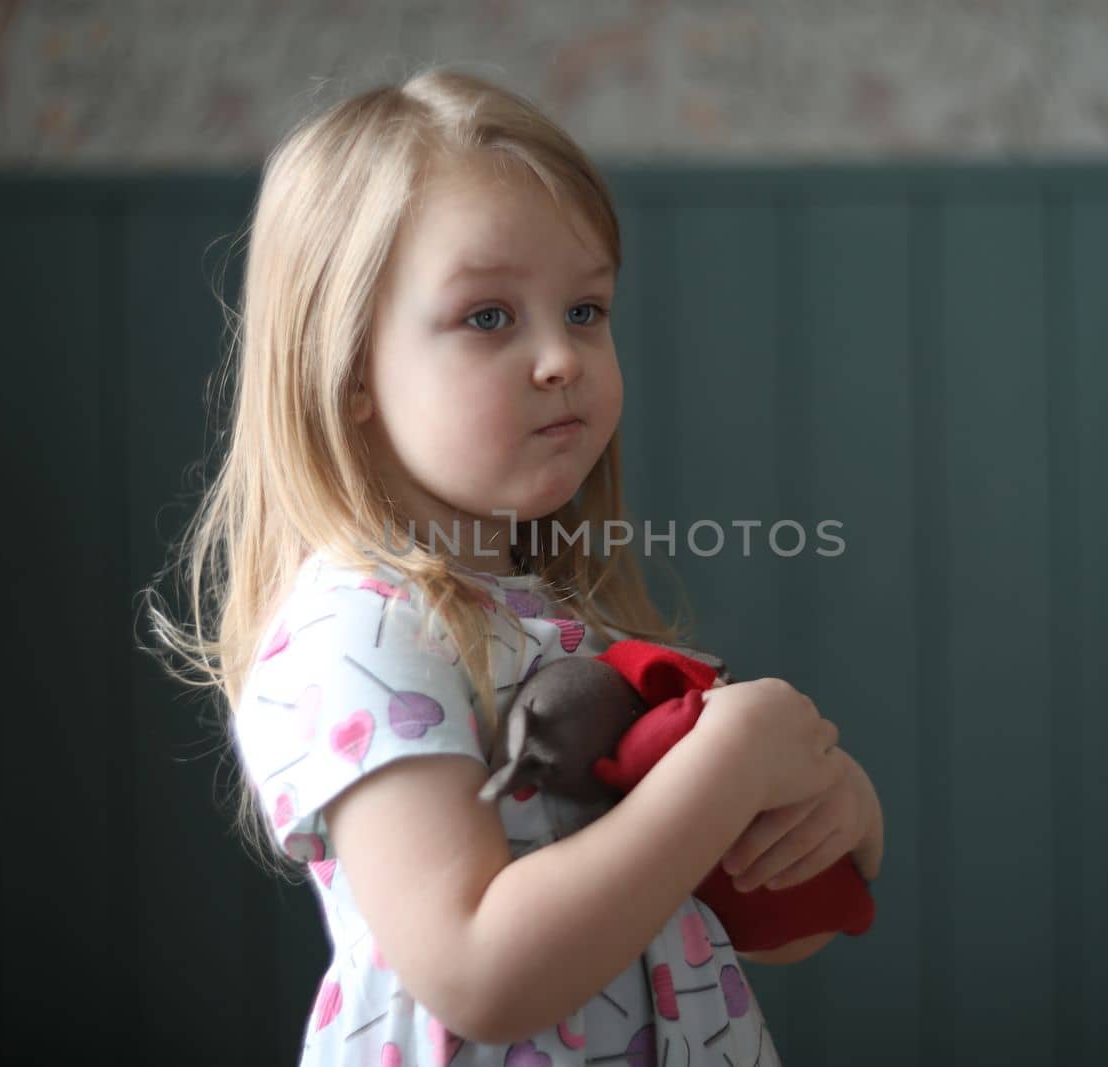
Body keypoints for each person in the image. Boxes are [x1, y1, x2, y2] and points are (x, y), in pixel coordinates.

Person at [144, 66, 885, 1066]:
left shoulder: (564, 622)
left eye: (584, 311)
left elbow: (744, 917)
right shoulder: (360, 631)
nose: (561, 358)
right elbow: (479, 970)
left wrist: (845, 813)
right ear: (350, 367)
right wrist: (725, 763)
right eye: (489, 317)